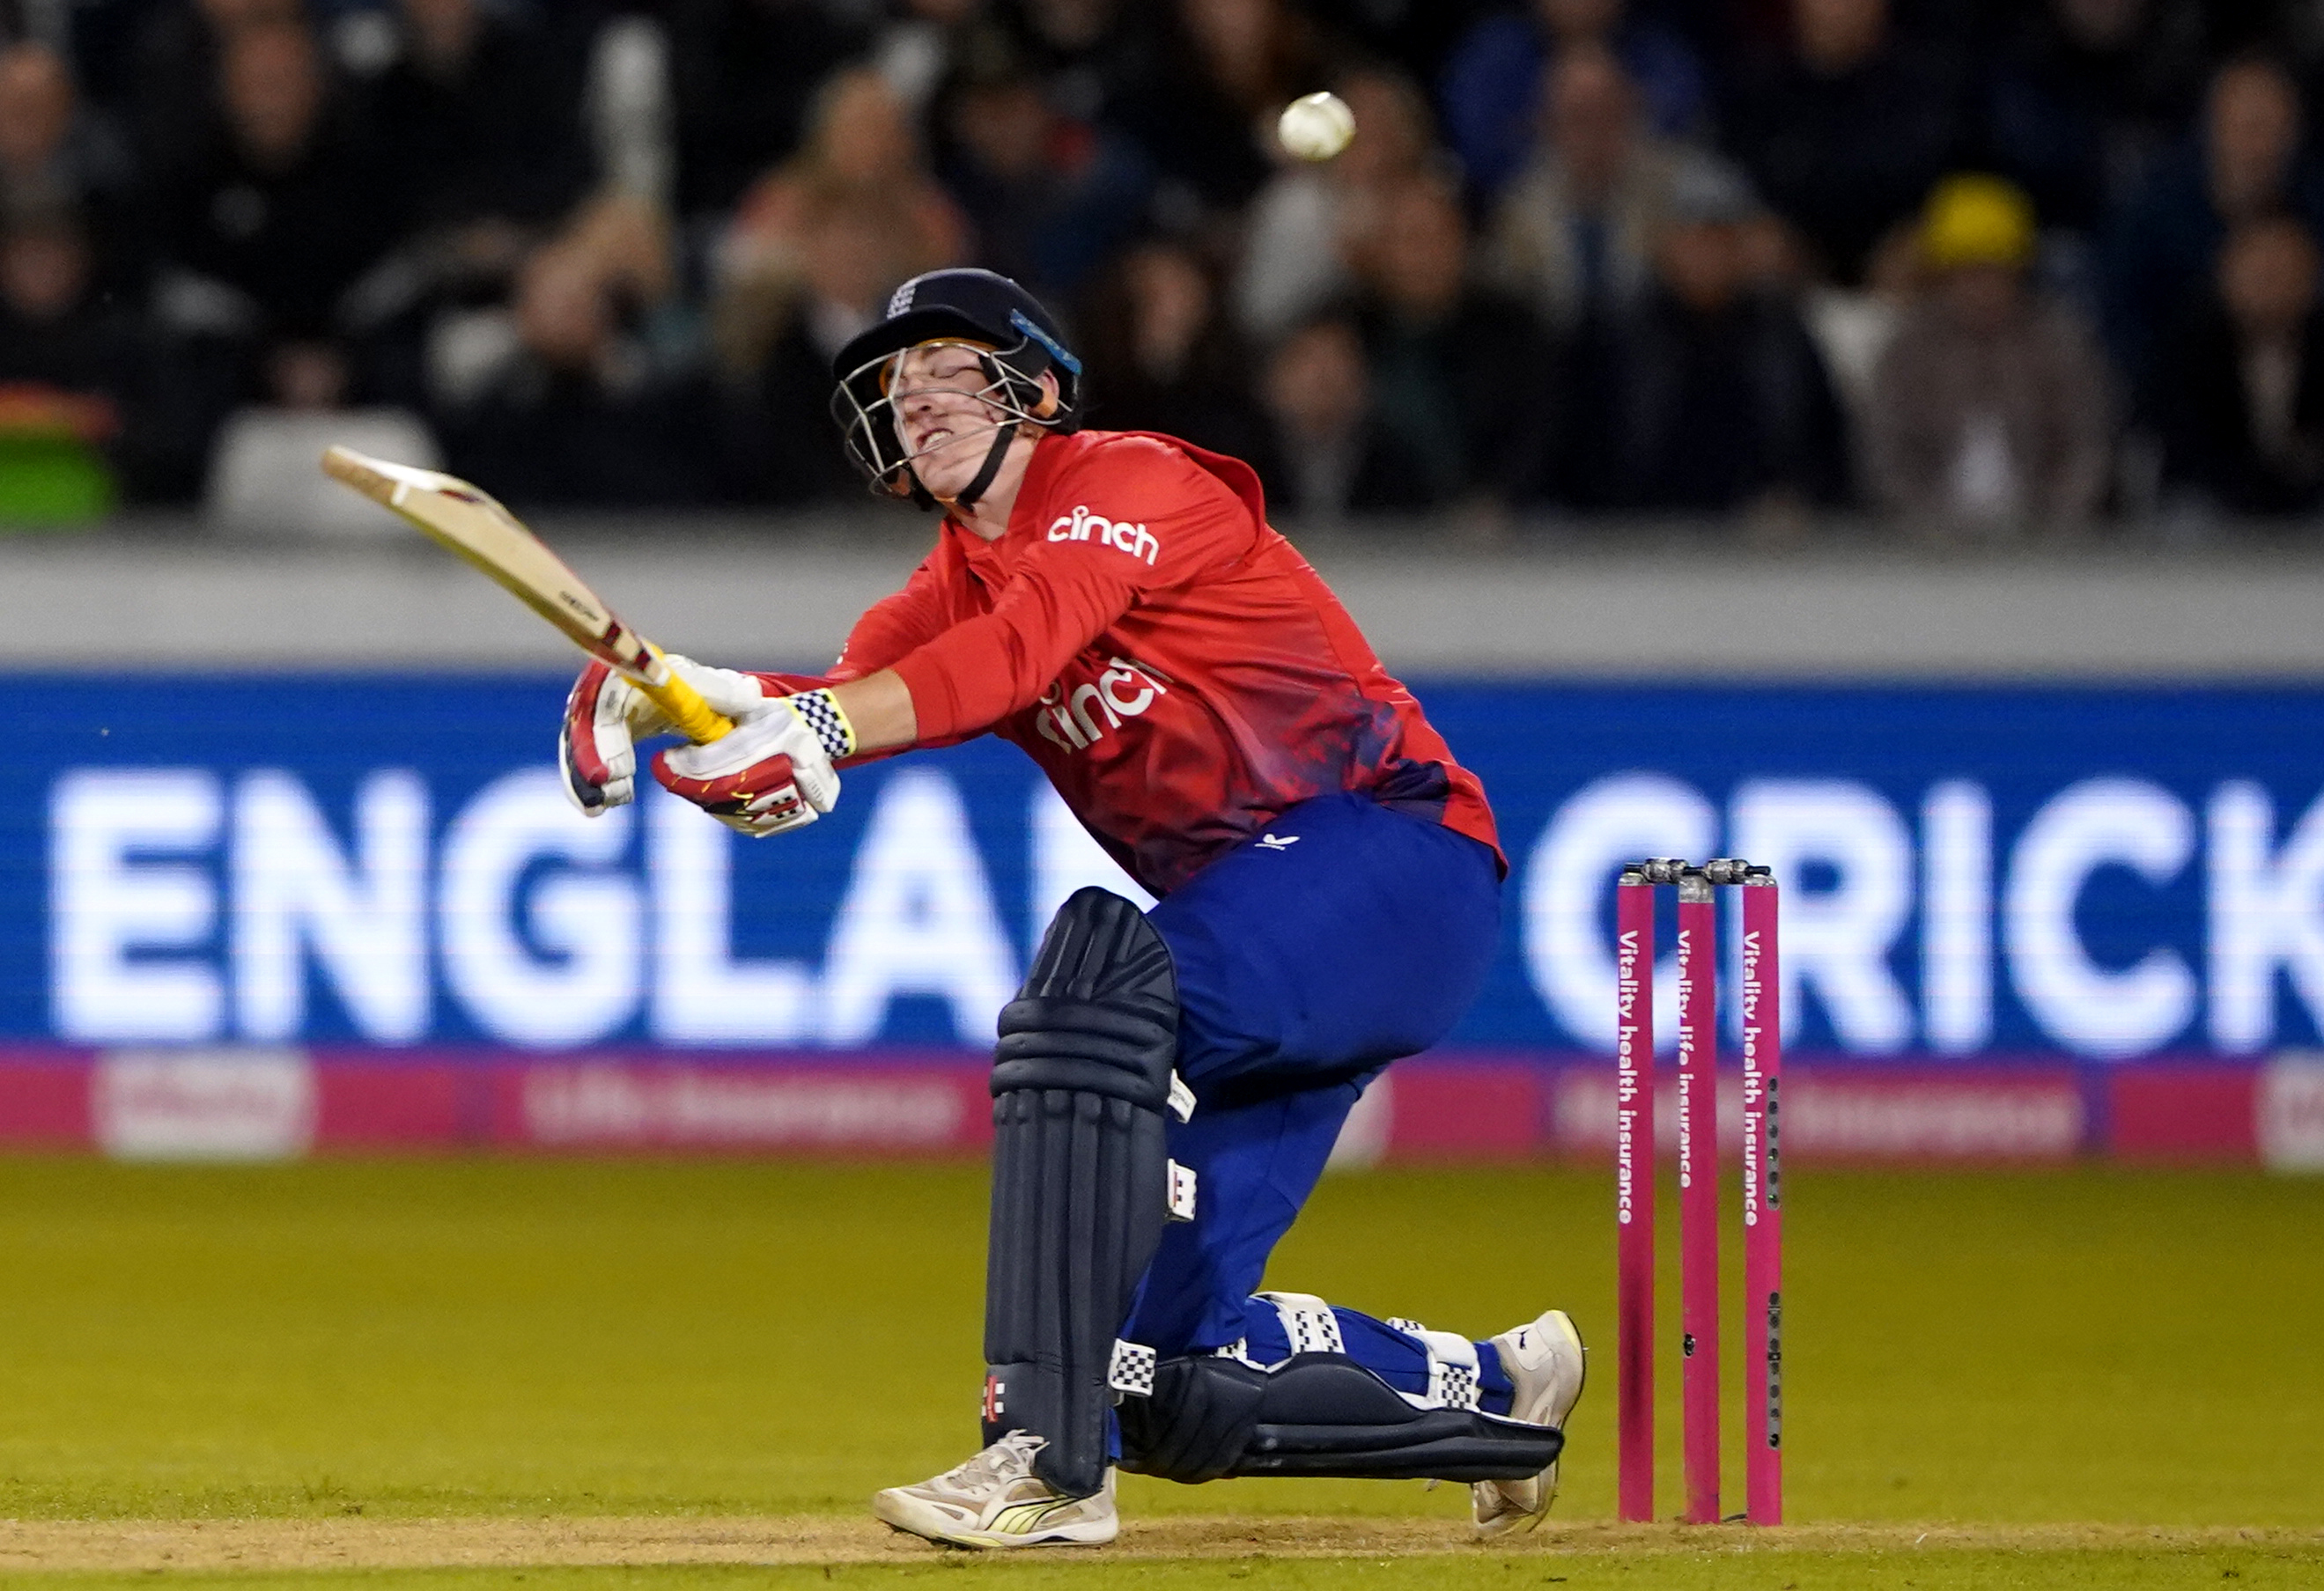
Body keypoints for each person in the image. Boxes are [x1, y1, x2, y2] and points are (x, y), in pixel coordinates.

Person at [554, 268, 1585, 1548]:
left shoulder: (1128, 481)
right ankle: (1500, 1389)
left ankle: (1040, 1463)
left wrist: (812, 725)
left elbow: (1008, 660)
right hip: (1268, 929)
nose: (913, 396)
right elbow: (855, 695)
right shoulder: (942, 588)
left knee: (1092, 982)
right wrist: (688, 695)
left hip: (1396, 859)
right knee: (1157, 1376)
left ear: (1035, 387)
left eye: (947, 368)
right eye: (894, 381)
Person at [1865, 174, 2113, 534]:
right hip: (1928, 546)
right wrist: (1927, 526)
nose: (1981, 288)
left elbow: (2088, 445)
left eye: (1994, 271)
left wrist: (2056, 524)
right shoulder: (1908, 351)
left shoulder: (2059, 343)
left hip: (2048, 544)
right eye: (1967, 273)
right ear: (1941, 275)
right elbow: (1884, 457)